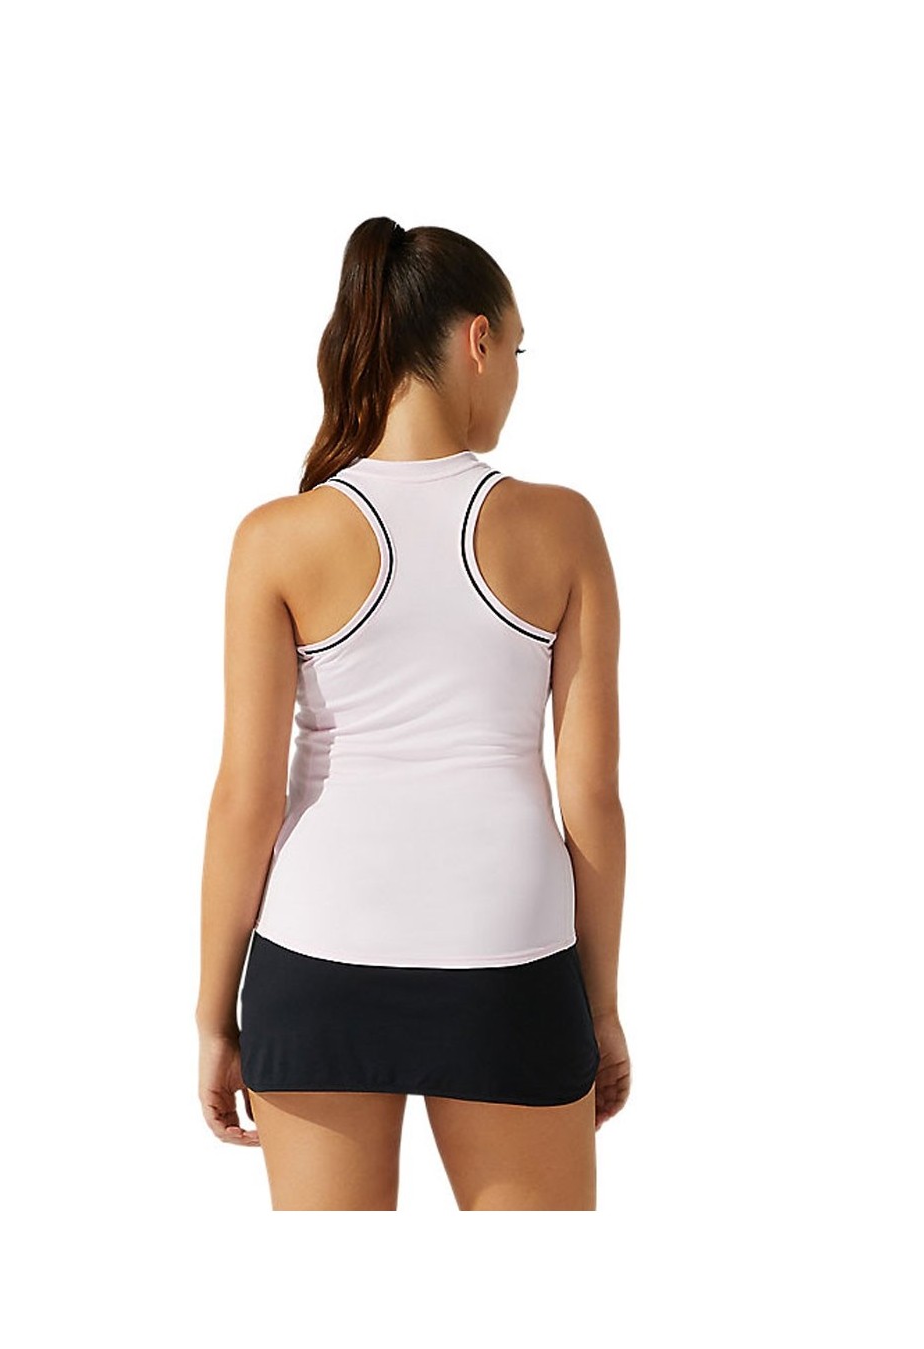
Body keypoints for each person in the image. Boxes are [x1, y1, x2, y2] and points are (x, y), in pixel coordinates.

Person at [196, 217, 630, 1210]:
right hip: (509, 962)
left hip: (316, 958)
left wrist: (215, 1014)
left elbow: (246, 802)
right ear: (478, 340)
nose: (513, 376)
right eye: (516, 351)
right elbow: (593, 800)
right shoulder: (562, 527)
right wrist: (597, 1007)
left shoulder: (277, 538)